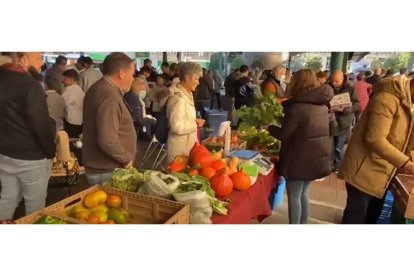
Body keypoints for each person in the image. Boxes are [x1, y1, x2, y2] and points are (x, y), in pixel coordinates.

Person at [339, 75, 414, 224]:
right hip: (363, 172)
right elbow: (375, 139)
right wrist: (407, 164)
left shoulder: (409, 103)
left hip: (383, 173)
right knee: (356, 219)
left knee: (371, 219)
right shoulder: (387, 98)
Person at [267, 69, 333, 224]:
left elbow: (284, 134)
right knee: (303, 193)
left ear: (298, 83)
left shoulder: (297, 108)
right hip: (316, 158)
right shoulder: (322, 105)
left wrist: (269, 127)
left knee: (295, 196)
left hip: (298, 159)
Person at [0, 52, 55, 220]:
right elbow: (40, 124)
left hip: (4, 154)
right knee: (35, 206)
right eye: (37, 58)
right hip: (31, 157)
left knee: (7, 198)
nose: (41, 63)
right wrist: (50, 152)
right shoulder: (30, 85)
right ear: (23, 59)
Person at [82, 52, 137, 185]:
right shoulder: (109, 95)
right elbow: (107, 140)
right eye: (132, 74)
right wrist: (126, 160)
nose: (133, 79)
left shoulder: (100, 88)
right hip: (106, 170)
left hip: (102, 168)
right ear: (121, 74)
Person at [166, 62, 203, 162]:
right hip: (179, 152)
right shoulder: (179, 99)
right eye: (196, 79)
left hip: (186, 149)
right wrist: (195, 124)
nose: (198, 82)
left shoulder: (187, 95)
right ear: (187, 78)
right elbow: (176, 127)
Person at [329, 70, 359, 172]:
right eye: (332, 81)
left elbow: (357, 104)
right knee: (329, 146)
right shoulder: (328, 86)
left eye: (336, 81)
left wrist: (346, 109)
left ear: (342, 78)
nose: (334, 83)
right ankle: (328, 164)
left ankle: (337, 165)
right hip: (329, 120)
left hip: (343, 121)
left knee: (339, 146)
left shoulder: (350, 87)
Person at [62, 69, 85, 138]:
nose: (63, 81)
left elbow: (61, 103)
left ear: (71, 80)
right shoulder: (79, 89)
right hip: (80, 121)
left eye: (65, 79)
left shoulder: (70, 89)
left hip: (71, 122)